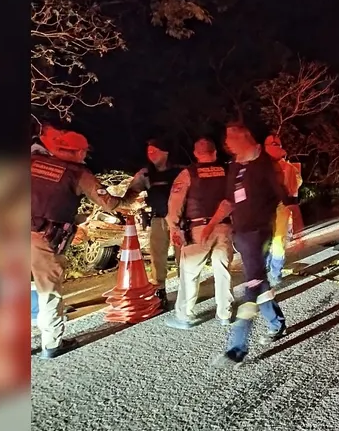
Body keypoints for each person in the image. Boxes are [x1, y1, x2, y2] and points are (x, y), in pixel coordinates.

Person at [202, 122, 303, 368]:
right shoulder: (235, 165)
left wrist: (298, 222)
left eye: (230, 137)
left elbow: (286, 197)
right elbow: (228, 201)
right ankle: (276, 324)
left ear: (245, 137)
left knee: (251, 286)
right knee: (259, 282)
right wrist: (211, 224)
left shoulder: (266, 165)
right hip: (242, 233)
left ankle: (237, 348)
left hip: (260, 233)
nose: (227, 143)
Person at [32, 125, 129, 358]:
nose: (86, 155)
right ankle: (52, 344)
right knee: (49, 291)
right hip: (42, 239)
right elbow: (109, 203)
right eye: (83, 151)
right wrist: (132, 190)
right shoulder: (78, 173)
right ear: (73, 152)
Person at [164, 137, 234, 328]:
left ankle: (184, 316)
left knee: (190, 273)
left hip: (198, 229)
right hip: (225, 227)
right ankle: (224, 314)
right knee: (223, 270)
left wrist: (174, 227)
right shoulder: (227, 171)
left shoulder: (188, 174)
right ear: (215, 153)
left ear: (195, 153)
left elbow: (175, 203)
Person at [124, 139, 183, 309]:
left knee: (183, 257)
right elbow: (131, 192)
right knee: (157, 257)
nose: (151, 154)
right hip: (158, 219)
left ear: (165, 152)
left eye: (155, 150)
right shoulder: (146, 174)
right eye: (149, 151)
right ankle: (160, 290)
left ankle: (186, 290)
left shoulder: (180, 171)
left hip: (179, 220)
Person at [264, 134, 303, 287]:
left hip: (276, 208)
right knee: (274, 241)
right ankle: (274, 273)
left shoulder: (287, 168)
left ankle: (272, 271)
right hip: (275, 208)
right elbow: (296, 186)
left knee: (272, 241)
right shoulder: (290, 168)